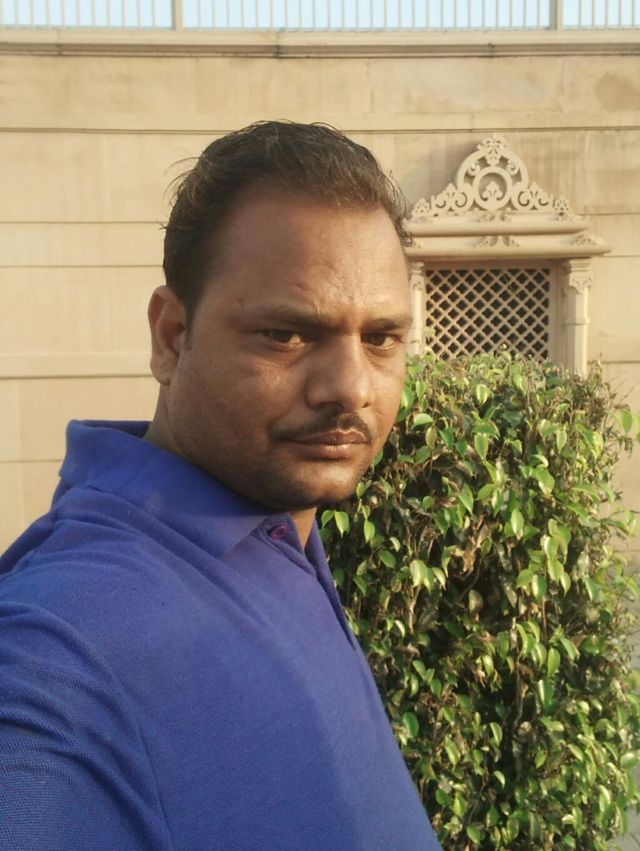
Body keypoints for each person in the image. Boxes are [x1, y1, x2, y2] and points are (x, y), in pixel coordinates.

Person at [0, 121, 442, 850]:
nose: (352, 387)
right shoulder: (59, 646)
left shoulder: (279, 519)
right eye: (286, 334)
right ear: (172, 336)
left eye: (381, 338)